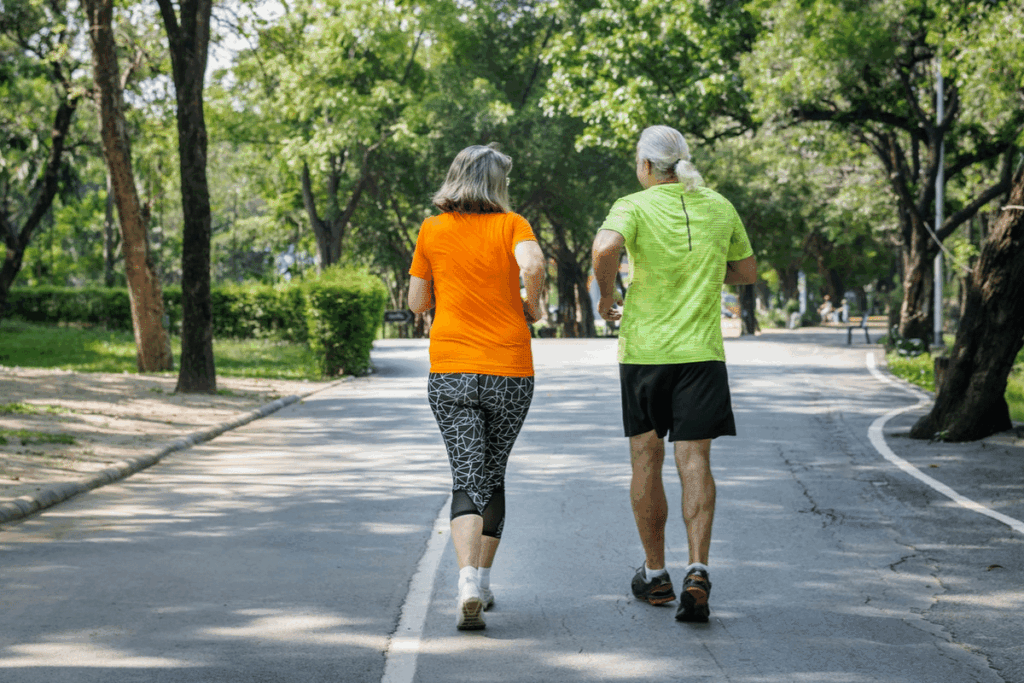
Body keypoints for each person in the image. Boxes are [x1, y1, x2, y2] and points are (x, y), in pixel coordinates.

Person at [591, 125, 756, 623]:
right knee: (695, 462)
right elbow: (745, 272)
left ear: (646, 166)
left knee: (646, 461)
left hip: (644, 355)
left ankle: (656, 575)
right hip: (702, 356)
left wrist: (605, 297)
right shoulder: (719, 205)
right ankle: (698, 568)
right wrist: (703, 270)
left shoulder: (633, 205)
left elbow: (604, 250)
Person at [408, 144, 546, 631]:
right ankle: (483, 581)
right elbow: (531, 264)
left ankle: (467, 581)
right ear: (496, 184)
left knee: (467, 473)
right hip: (510, 370)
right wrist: (533, 306)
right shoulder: (513, 225)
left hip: (451, 371)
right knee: (493, 471)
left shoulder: (431, 229)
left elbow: (417, 301)